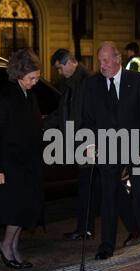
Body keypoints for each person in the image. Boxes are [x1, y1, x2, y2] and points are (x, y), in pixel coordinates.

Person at [81, 41, 140, 260]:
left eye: (106, 60)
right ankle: (106, 246)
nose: (102, 65)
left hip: (135, 145)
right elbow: (86, 118)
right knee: (108, 196)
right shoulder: (92, 84)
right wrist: (89, 144)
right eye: (99, 61)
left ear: (117, 60)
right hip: (106, 146)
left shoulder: (135, 81)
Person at [0, 48, 44, 269]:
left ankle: (13, 247)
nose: (35, 82)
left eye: (37, 78)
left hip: (27, 164)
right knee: (15, 210)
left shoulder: (29, 95)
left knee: (25, 209)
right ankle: (5, 245)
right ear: (19, 74)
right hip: (10, 165)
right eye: (32, 78)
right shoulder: (5, 98)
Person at [44, 48, 98, 240]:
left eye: (60, 68)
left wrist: (90, 142)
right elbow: (62, 113)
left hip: (88, 144)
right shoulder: (68, 85)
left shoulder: (88, 82)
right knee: (88, 187)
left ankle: (86, 229)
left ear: (70, 62)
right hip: (78, 144)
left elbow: (94, 116)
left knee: (93, 188)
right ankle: (85, 228)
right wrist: (42, 126)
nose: (58, 72)